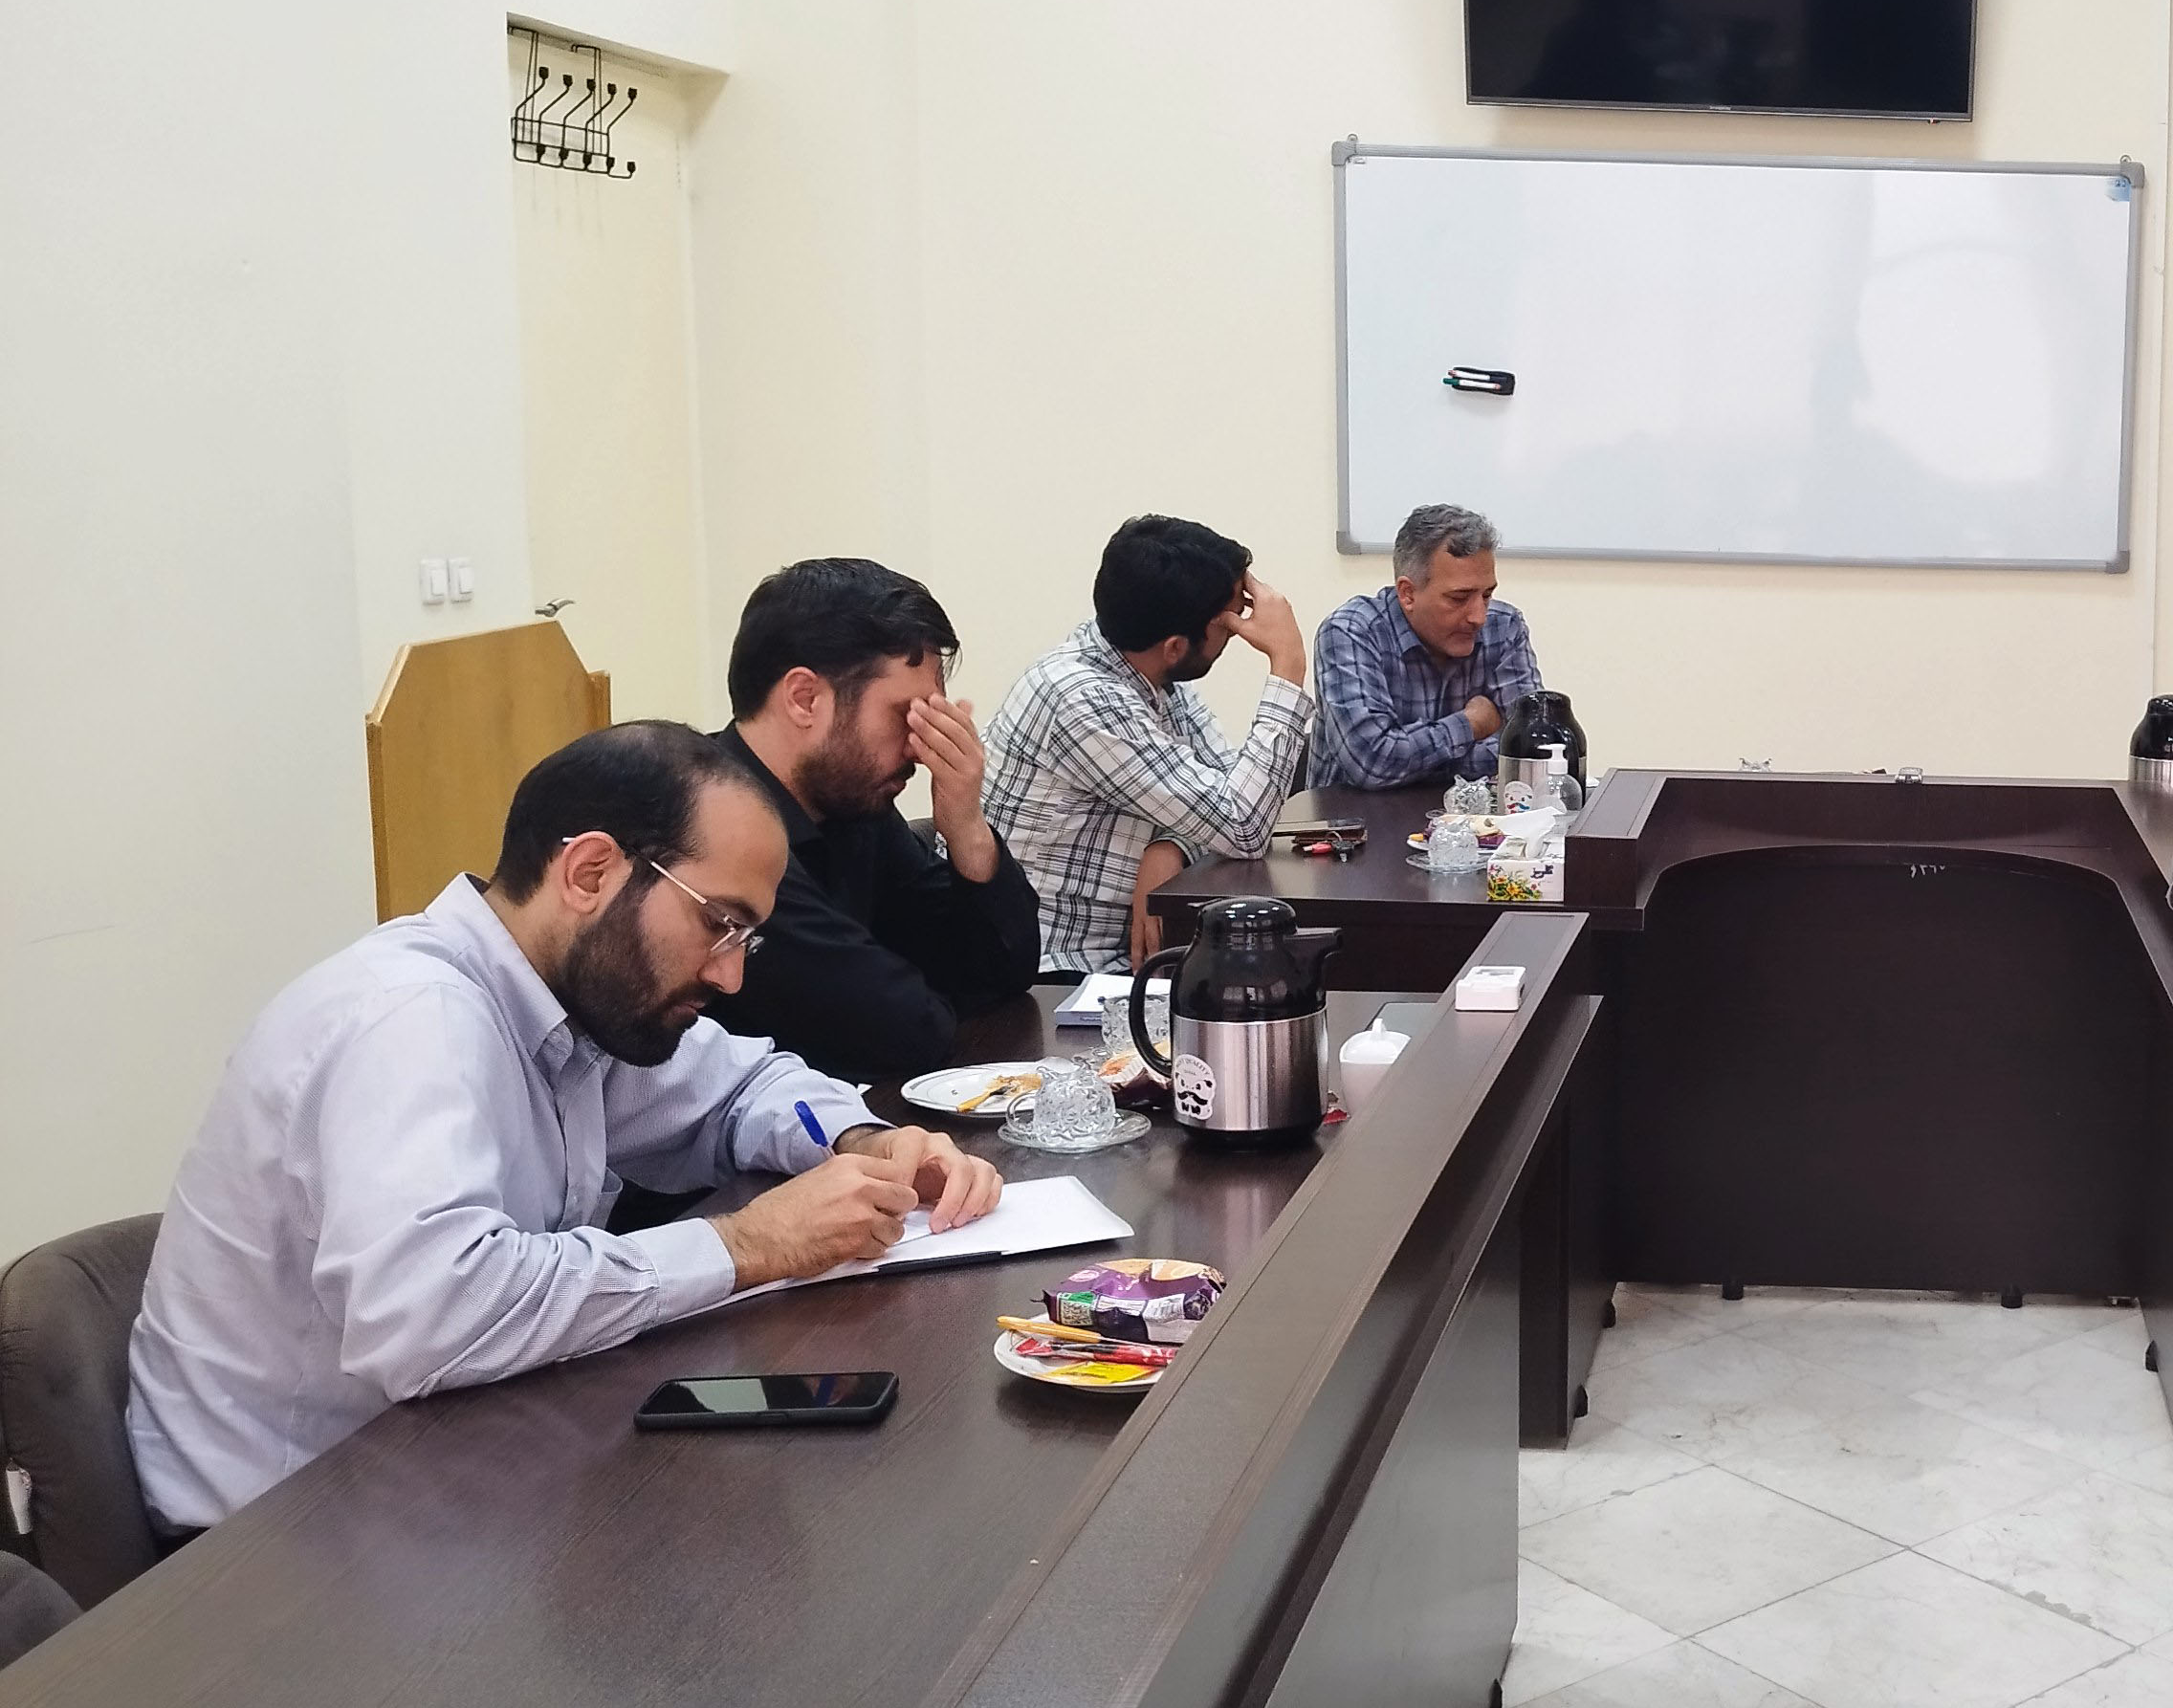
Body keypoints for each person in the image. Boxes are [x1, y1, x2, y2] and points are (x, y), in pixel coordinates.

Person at [128, 724, 999, 1531]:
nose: (731, 975)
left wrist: (858, 1140)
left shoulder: (573, 1002)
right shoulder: (411, 1020)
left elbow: (745, 1087)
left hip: (451, 1460)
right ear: (589, 873)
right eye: (718, 923)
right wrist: (747, 1244)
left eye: (748, 938)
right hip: (279, 1549)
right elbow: (429, 1315)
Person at [713, 558, 1041, 1079]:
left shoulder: (854, 808)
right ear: (804, 699)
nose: (918, 748)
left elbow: (1002, 971)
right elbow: (904, 1030)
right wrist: (926, 990)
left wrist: (966, 827)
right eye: (905, 715)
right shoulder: (713, 827)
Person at [982, 515, 1316, 973]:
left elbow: (1231, 793)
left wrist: (1170, 846)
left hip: (1126, 958)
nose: (1237, 636)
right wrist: (1288, 666)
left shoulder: (1144, 667)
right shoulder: (1082, 698)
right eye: (1228, 626)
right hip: (1053, 971)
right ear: (1175, 647)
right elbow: (1244, 824)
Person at [1313, 503, 1545, 789]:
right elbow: (1372, 762)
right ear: (1408, 594)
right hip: (1355, 815)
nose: (1479, 617)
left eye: (1486, 595)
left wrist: (1415, 757)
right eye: (1459, 598)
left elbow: (1531, 747)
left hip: (1470, 814)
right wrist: (1472, 724)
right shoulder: (1351, 632)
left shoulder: (1504, 626)